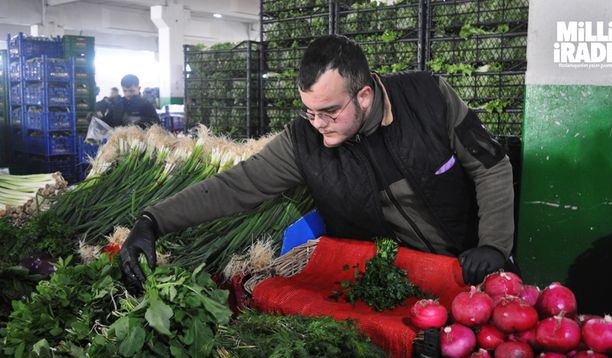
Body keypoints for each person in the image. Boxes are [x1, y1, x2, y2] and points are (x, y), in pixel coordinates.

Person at [119, 35, 516, 291]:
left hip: (475, 264)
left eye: (328, 111)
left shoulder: (430, 97)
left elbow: (491, 166)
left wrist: (493, 246)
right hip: (405, 280)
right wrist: (153, 221)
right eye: (309, 111)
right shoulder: (304, 141)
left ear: (363, 95)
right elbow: (235, 187)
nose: (318, 125)